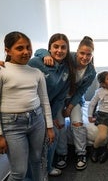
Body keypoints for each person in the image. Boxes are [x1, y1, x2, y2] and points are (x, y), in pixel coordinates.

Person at [0, 31, 55, 180]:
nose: (26, 52)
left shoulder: (37, 72)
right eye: (19, 48)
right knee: (19, 172)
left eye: (28, 47)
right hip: (12, 125)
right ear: (7, 50)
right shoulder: (2, 71)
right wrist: (0, 135)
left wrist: (49, 127)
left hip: (37, 121)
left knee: (38, 161)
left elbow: (44, 101)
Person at [40, 36, 96, 170]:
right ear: (77, 51)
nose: (85, 57)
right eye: (82, 53)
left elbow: (80, 92)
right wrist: (46, 55)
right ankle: (62, 154)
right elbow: (39, 51)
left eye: (88, 54)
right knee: (59, 125)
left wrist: (70, 108)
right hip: (58, 99)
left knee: (77, 123)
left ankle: (81, 154)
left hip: (74, 100)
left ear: (92, 55)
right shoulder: (68, 57)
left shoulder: (91, 72)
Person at [28, 33, 75, 177]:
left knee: (52, 139)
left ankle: (48, 168)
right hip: (32, 109)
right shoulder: (38, 62)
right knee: (35, 147)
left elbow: (61, 98)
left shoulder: (67, 69)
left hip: (49, 110)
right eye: (55, 47)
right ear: (49, 48)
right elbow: (20, 67)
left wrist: (52, 117)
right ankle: (33, 174)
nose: (59, 50)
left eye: (63, 47)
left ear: (67, 50)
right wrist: (42, 53)